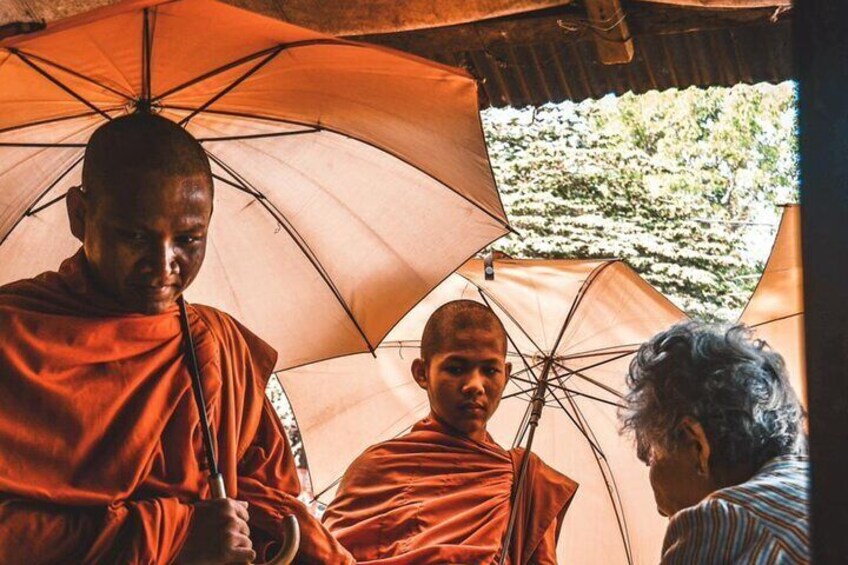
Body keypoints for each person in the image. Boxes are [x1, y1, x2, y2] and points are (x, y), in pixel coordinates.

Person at [0, 112, 353, 564]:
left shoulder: (217, 345)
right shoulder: (14, 336)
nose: (165, 263)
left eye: (188, 239)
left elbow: (267, 498)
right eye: (134, 237)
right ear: (79, 215)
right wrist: (176, 535)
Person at [323, 299, 578, 564]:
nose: (475, 385)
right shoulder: (378, 468)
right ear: (422, 373)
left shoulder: (525, 480)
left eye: (490, 370)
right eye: (456, 369)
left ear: (507, 374)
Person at [620, 322, 809, 564]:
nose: (660, 511)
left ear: (696, 444)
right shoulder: (822, 487)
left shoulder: (723, 519)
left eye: (652, 456)